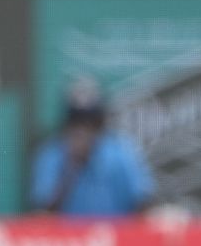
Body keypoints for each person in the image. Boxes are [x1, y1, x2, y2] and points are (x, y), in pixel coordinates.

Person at [29, 82, 155, 216]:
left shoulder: (121, 152)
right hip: (70, 235)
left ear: (100, 124)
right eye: (76, 121)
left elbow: (144, 205)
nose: (83, 129)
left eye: (91, 122)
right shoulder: (52, 154)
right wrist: (71, 167)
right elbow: (44, 211)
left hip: (116, 233)